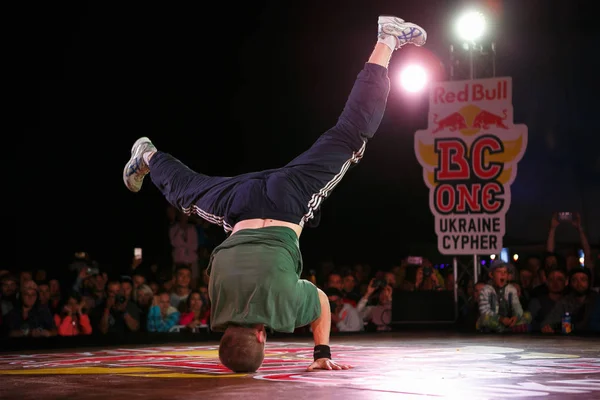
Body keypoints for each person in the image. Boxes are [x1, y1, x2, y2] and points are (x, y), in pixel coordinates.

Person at [123, 15, 427, 372]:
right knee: (187, 190)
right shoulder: (217, 307)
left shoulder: (282, 309)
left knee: (351, 137)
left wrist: (322, 354)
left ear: (263, 338)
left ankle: (388, 39)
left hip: (288, 203)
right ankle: (147, 155)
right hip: (238, 203)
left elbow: (322, 301)